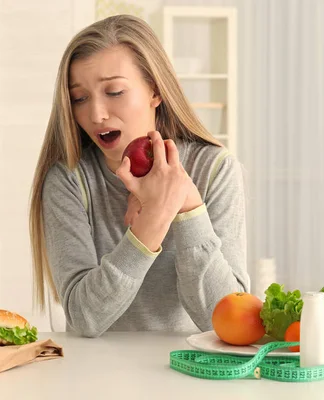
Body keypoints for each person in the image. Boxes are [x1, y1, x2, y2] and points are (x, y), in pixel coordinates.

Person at [29, 14, 249, 337]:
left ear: (155, 92)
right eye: (79, 98)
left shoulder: (215, 170)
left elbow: (228, 319)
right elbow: (84, 317)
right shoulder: (69, 181)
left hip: (195, 379)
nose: (96, 114)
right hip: (94, 380)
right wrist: (151, 224)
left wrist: (187, 203)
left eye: (114, 91)